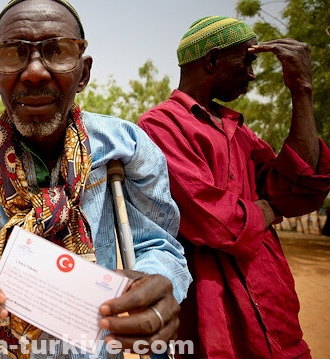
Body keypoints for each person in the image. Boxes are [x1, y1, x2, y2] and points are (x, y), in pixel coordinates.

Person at [0, 1, 192, 358]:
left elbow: (158, 245)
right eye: (14, 53)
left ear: (84, 72)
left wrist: (159, 282)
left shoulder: (127, 146)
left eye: (57, 51)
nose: (34, 72)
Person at [138, 16, 330, 359]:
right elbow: (217, 222)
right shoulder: (160, 124)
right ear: (212, 61)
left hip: (273, 299)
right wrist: (268, 209)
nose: (252, 74)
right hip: (212, 310)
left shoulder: (239, 130)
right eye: (247, 60)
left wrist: (301, 90)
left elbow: (299, 188)